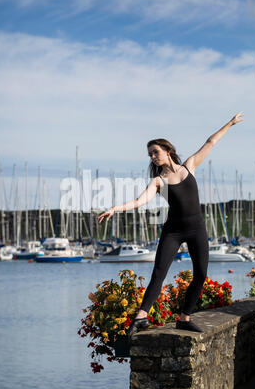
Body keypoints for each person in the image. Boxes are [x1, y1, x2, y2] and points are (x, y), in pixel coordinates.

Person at [97, 112, 243, 334]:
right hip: (173, 231)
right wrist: (115, 209)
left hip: (196, 229)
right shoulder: (159, 181)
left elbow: (210, 142)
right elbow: (138, 201)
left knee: (201, 274)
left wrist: (230, 123)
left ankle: (184, 318)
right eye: (150, 155)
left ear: (168, 151)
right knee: (159, 272)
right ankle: (141, 316)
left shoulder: (189, 167)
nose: (153, 157)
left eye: (155, 152)